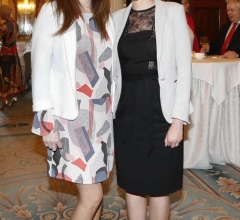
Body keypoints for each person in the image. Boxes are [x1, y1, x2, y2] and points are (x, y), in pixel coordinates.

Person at [31, 0, 114, 219]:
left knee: (97, 194)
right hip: (71, 119)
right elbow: (40, 68)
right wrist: (46, 124)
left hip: (102, 117)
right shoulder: (53, 10)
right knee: (92, 197)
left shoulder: (104, 14)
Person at [112, 0, 193, 219]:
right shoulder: (117, 18)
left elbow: (185, 70)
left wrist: (178, 120)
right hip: (126, 111)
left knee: (160, 186)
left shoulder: (173, 12)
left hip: (162, 111)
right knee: (132, 184)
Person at [0, 5, 24, 110]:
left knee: (4, 75)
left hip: (6, 53)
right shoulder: (15, 23)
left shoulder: (5, 25)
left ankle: (4, 100)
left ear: (4, 13)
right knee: (13, 74)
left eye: (0, 13)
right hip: (14, 52)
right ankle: (14, 97)